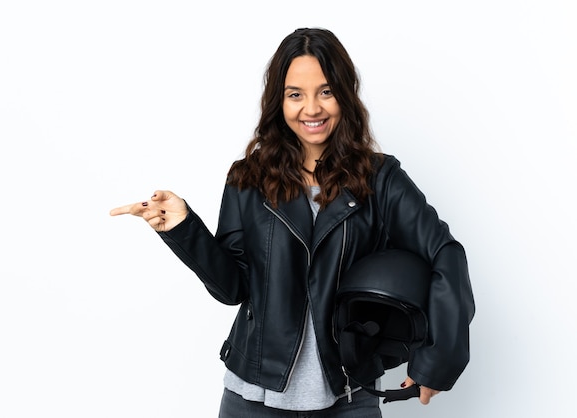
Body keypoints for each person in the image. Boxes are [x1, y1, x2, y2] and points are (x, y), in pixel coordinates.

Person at [110, 27, 474, 417]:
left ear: (345, 96)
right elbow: (233, 288)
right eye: (295, 94)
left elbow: (444, 254)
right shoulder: (247, 178)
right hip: (253, 399)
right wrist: (184, 228)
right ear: (279, 102)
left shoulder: (379, 179)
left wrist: (437, 362)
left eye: (326, 91)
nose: (312, 109)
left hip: (349, 396)